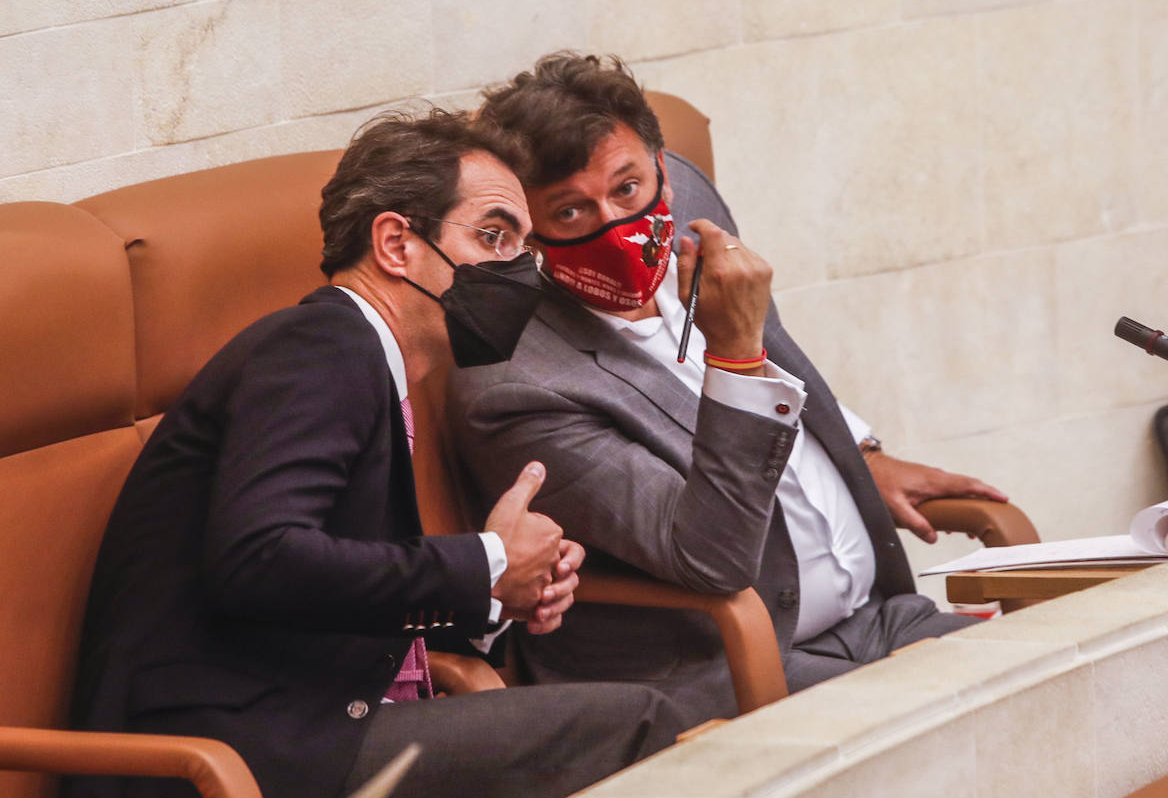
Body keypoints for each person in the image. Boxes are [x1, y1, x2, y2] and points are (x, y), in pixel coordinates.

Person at [65, 108, 683, 798]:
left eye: (523, 247)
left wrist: (498, 592)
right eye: (493, 236)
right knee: (641, 725)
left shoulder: (371, 368)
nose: (519, 270)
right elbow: (257, 559)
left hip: (309, 724)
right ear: (395, 244)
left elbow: (328, 587)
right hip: (228, 753)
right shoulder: (320, 347)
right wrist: (483, 564)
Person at [446, 53, 1008, 726]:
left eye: (627, 188)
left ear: (662, 168)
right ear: (527, 229)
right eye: (570, 211)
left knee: (1041, 686)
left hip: (880, 616)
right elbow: (708, 558)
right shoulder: (518, 385)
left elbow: (779, 352)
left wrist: (861, 451)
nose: (615, 226)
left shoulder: (688, 211)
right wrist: (735, 357)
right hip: (728, 668)